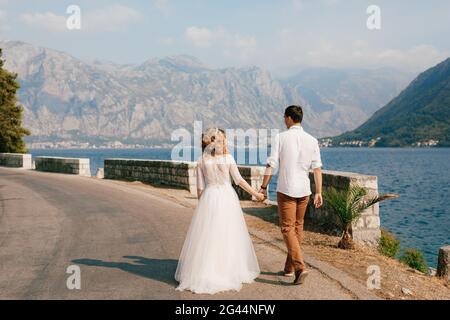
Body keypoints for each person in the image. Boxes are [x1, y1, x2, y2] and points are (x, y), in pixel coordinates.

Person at [175, 128, 264, 294]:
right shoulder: (228, 158)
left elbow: (200, 190)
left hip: (210, 198)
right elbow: (239, 181)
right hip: (226, 198)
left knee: (209, 235)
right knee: (228, 234)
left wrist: (202, 209)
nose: (224, 143)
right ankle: (226, 269)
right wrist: (257, 194)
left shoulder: (201, 161)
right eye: (223, 141)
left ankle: (207, 270)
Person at [259, 105, 323, 285]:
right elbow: (317, 169)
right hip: (305, 190)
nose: (283, 120)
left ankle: (300, 267)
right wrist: (318, 192)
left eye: (284, 118)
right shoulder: (312, 140)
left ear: (288, 118)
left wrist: (263, 187)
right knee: (297, 227)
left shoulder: (280, 137)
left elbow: (271, 164)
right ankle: (289, 268)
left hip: (286, 189)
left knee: (287, 228)